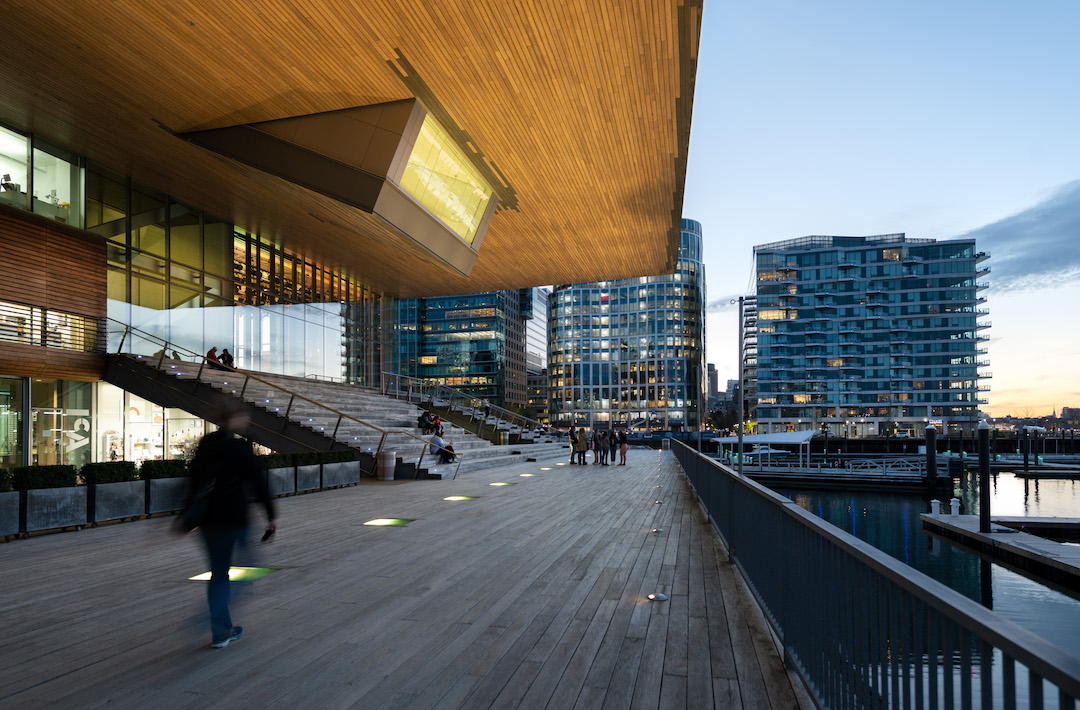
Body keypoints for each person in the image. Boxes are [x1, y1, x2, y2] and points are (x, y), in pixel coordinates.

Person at [184, 405, 276, 649]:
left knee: (219, 575)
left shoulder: (206, 444)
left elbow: (193, 480)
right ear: (233, 418)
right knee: (247, 571)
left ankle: (221, 630)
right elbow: (258, 482)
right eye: (242, 416)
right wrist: (271, 515)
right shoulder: (240, 447)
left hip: (208, 522)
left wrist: (184, 516)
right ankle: (209, 622)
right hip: (234, 519)